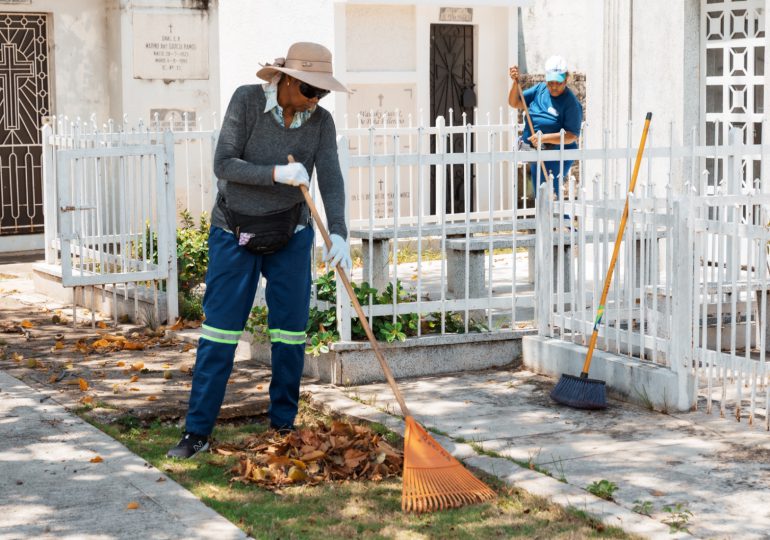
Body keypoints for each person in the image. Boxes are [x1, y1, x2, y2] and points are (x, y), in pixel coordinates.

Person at [168, 42, 352, 459]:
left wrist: (337, 233)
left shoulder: (321, 122)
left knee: (290, 333)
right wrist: (277, 174)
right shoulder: (247, 101)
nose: (314, 99)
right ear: (285, 79)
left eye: (321, 93)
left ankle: (283, 427)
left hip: (291, 234)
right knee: (220, 331)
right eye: (309, 89)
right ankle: (197, 432)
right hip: (235, 230)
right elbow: (224, 164)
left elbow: (333, 180)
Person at [508, 55, 583, 198]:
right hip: (536, 150)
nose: (554, 86)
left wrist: (544, 138)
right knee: (541, 194)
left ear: (566, 79)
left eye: (558, 82)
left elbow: (571, 135)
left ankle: (563, 220)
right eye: (551, 82)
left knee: (551, 193)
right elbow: (515, 102)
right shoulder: (540, 90)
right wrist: (514, 82)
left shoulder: (570, 103)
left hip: (558, 153)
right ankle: (546, 220)